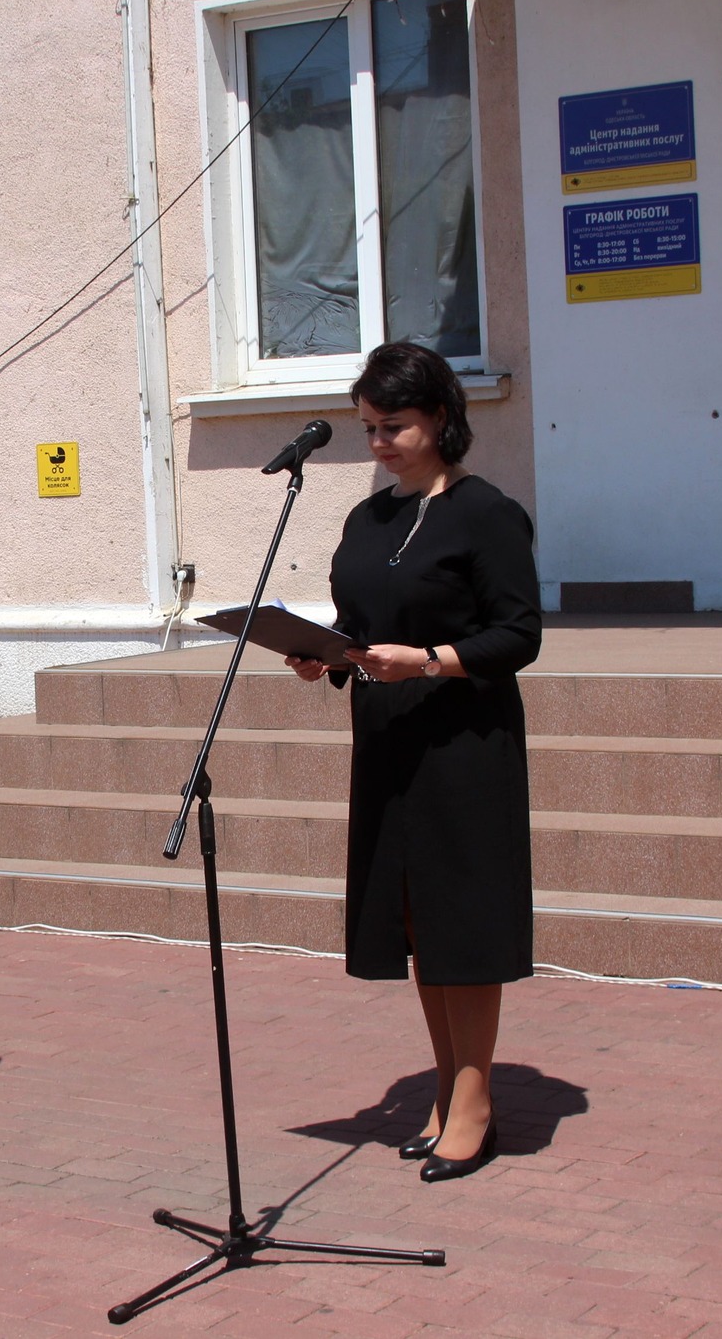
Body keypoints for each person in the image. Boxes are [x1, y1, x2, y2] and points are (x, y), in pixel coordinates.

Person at [285, 340, 541, 1184]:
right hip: (388, 740)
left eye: (393, 426)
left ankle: (475, 1102)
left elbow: (517, 635)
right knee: (417, 923)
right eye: (368, 430)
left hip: (464, 743)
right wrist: (324, 657)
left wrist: (429, 659)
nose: (380, 443)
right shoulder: (370, 519)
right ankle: (444, 1090)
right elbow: (359, 624)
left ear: (438, 417)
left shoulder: (486, 512)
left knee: (463, 923)